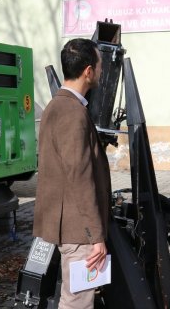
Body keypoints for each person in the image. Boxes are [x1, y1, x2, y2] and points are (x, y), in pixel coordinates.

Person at [33, 38, 112, 308]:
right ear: (88, 71)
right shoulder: (72, 112)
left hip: (71, 226)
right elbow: (80, 177)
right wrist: (96, 236)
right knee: (78, 301)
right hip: (79, 231)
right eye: (100, 66)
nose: (102, 72)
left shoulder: (58, 106)